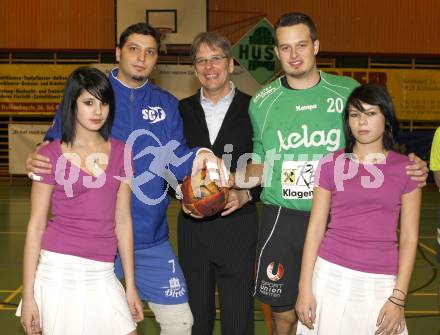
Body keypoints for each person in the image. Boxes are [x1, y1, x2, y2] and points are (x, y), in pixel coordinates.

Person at [25, 23, 225, 335]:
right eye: (134, 49)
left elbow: (176, 157)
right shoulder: (95, 94)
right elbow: (56, 141)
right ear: (119, 52)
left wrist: (201, 155)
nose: (141, 58)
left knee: (180, 322)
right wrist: (38, 150)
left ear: (157, 59)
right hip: (96, 243)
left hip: (148, 237)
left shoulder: (166, 104)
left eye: (150, 52)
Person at [236, 12, 428, 335]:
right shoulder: (261, 103)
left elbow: (375, 135)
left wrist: (411, 164)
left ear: (316, 46)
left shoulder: (346, 92)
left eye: (301, 45)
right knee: (284, 317)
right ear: (276, 53)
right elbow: (259, 164)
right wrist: (232, 180)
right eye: (285, 48)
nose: (294, 55)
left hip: (337, 220)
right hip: (283, 219)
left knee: (324, 314)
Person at [17, 67, 144, 335]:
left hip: (103, 271)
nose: (98, 111)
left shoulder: (123, 152)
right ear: (72, 104)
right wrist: (29, 295)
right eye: (88, 102)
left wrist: (131, 284)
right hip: (57, 271)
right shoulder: (49, 155)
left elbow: (123, 219)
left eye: (104, 103)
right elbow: (36, 226)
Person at [295, 84, 421, 335]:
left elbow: (409, 238)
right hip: (329, 277)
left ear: (386, 117)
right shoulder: (330, 163)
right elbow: (316, 227)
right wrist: (304, 288)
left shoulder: (407, 168)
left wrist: (398, 298)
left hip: (382, 284)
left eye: (371, 113)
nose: (362, 121)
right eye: (354, 114)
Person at [177, 32, 260, 334]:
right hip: (193, 228)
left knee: (238, 320)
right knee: (195, 320)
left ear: (231, 63)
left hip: (237, 225)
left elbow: (270, 162)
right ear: (194, 68)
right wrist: (181, 193)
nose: (209, 67)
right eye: (201, 60)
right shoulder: (180, 111)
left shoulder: (255, 109)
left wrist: (246, 194)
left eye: (216, 58)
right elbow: (170, 163)